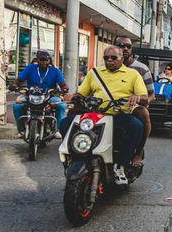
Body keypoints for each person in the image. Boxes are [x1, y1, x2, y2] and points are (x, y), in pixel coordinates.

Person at [60, 46, 148, 184]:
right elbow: (81, 93)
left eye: (114, 58)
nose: (110, 60)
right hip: (95, 115)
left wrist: (136, 97)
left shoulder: (132, 74)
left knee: (135, 125)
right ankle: (73, 158)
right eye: (106, 57)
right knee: (66, 123)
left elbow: (144, 97)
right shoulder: (94, 72)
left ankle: (121, 165)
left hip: (118, 115)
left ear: (122, 59)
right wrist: (72, 96)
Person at [115, 37, 154, 167]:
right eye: (121, 45)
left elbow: (150, 93)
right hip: (107, 105)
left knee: (143, 113)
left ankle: (139, 151)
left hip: (131, 106)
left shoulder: (141, 69)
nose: (125, 48)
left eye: (128, 46)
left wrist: (143, 100)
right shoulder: (102, 68)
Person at [9, 49, 69, 135]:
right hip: (30, 96)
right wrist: (14, 85)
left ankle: (57, 130)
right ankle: (21, 130)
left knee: (61, 105)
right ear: (37, 60)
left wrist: (64, 88)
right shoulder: (30, 68)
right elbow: (18, 80)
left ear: (49, 61)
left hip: (49, 96)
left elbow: (63, 84)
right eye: (41, 60)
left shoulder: (55, 70)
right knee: (17, 105)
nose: (43, 62)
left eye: (45, 60)